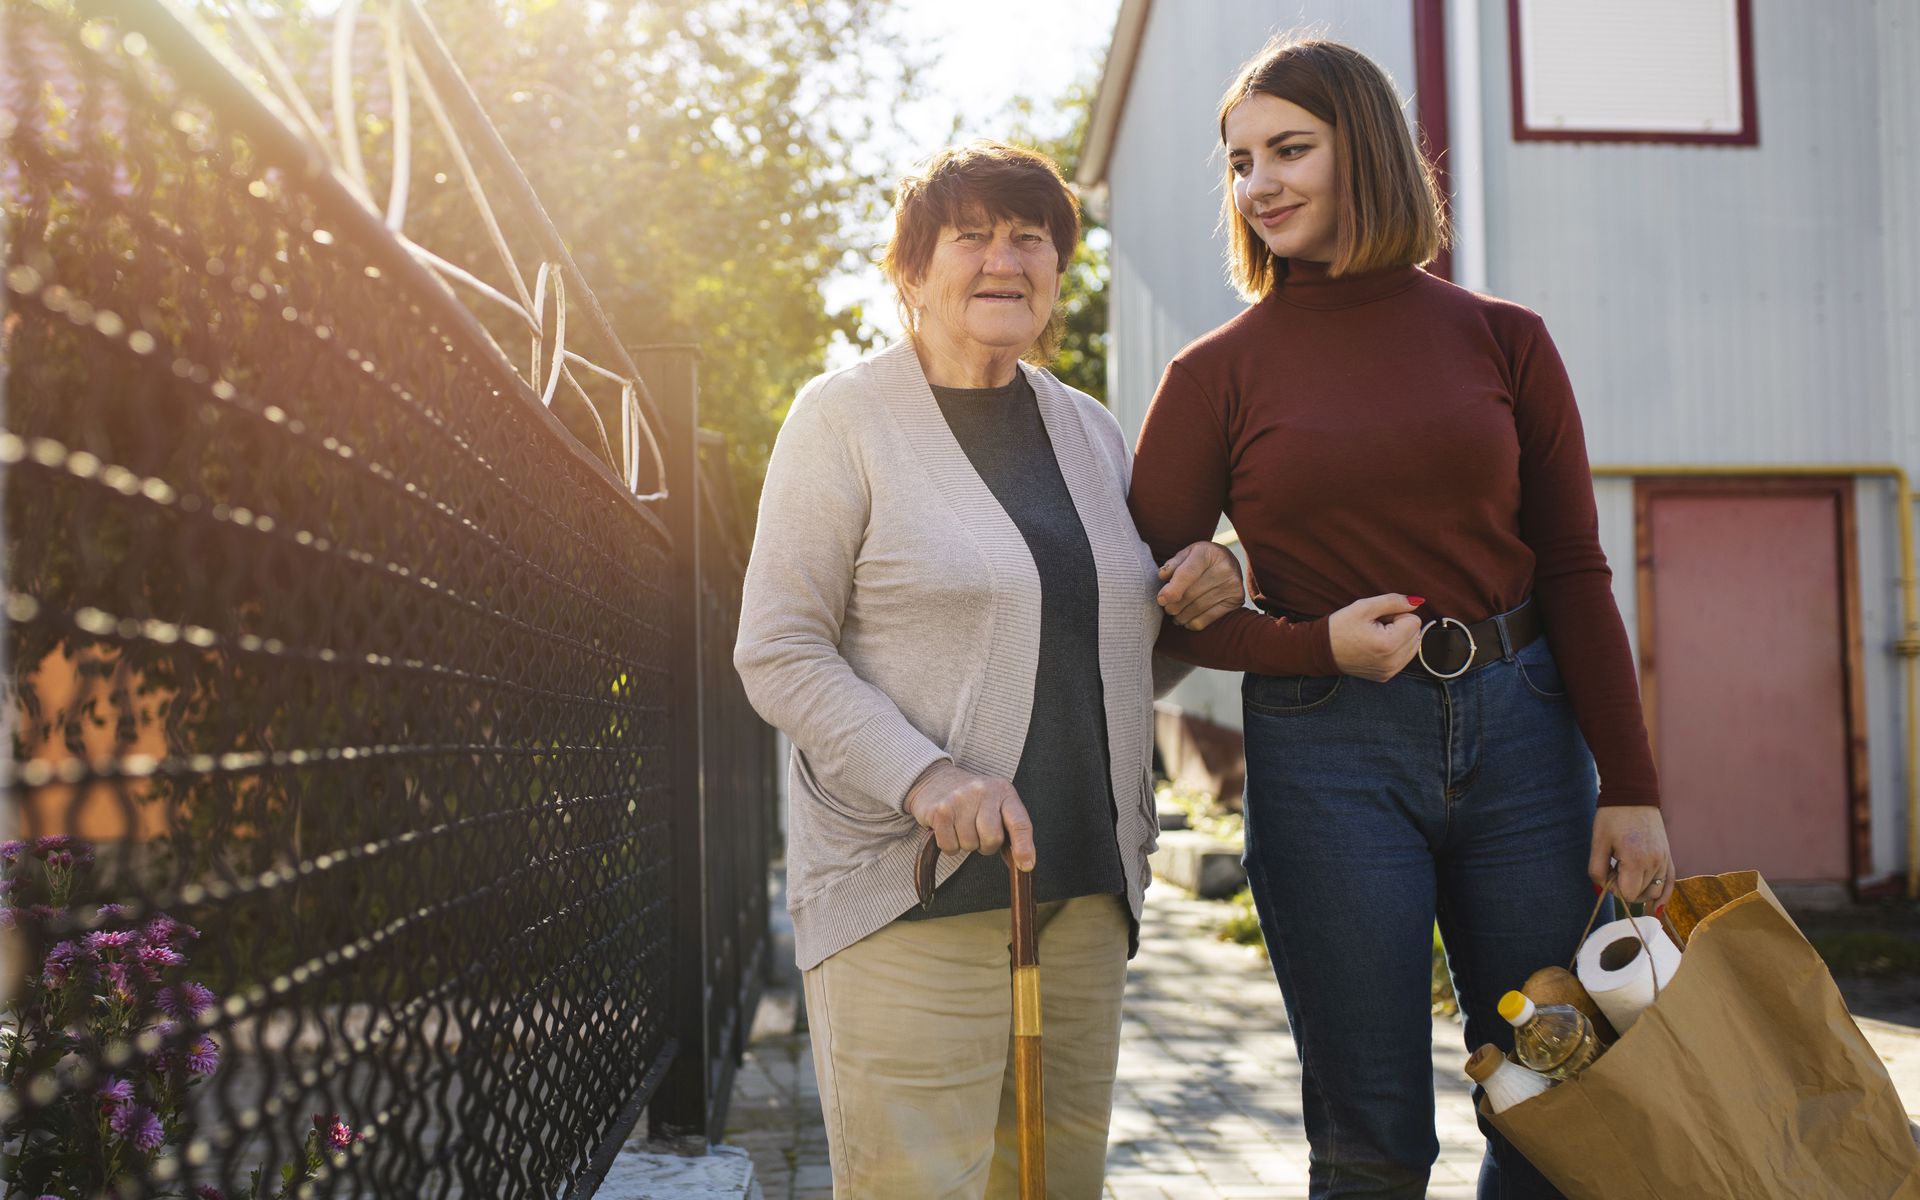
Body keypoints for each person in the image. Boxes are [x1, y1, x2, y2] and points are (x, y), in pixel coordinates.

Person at [1127, 37, 1675, 1200]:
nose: (1260, 184)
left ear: (1364, 149)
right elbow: (1153, 615)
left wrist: (1630, 783)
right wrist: (1300, 642)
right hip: (1327, 749)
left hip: (1527, 735)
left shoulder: (1504, 338)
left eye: (1290, 149)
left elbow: (1575, 569)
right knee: (1371, 1128)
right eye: (1239, 162)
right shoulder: (1212, 375)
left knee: (1555, 1090)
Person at [734, 139, 1242, 1199]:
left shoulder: (1090, 431)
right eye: (971, 234)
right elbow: (778, 647)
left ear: (1058, 269)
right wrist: (928, 777)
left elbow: (1100, 651)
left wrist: (1202, 586)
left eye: (1032, 236)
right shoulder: (843, 420)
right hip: (910, 893)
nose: (1006, 256)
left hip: (1084, 896)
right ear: (910, 271)